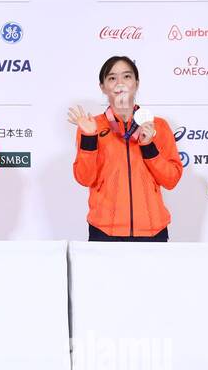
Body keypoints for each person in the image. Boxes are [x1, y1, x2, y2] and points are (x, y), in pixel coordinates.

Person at [68, 55, 181, 241]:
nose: (120, 83)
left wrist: (149, 147)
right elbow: (84, 178)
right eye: (112, 78)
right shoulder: (91, 126)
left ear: (136, 83)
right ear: (103, 87)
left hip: (153, 231)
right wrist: (89, 138)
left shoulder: (158, 126)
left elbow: (171, 180)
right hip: (104, 231)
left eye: (126, 76)